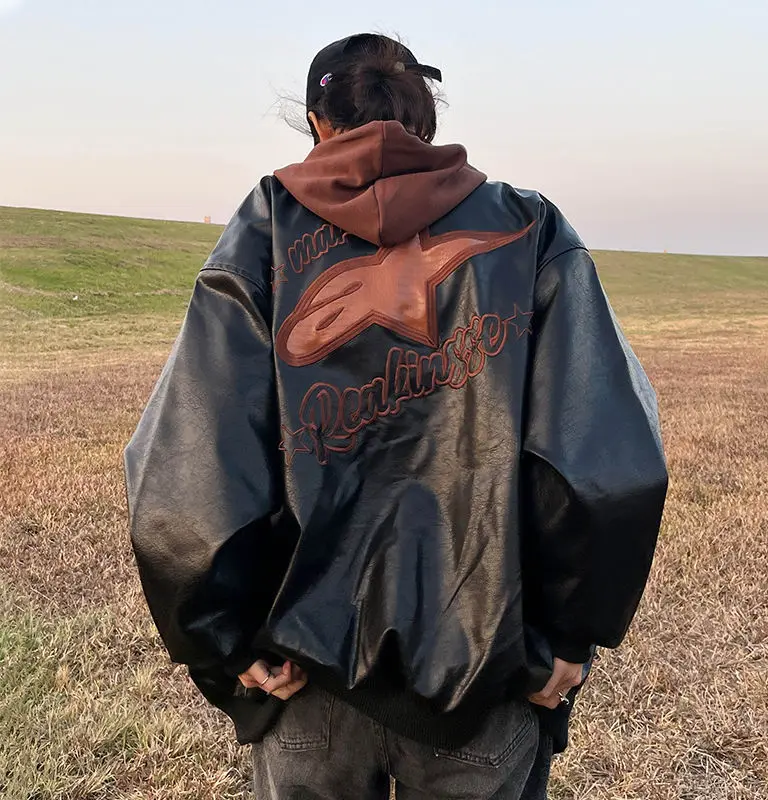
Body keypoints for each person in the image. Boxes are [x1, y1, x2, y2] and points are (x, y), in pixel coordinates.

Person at [124, 33, 668, 800]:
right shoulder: (530, 227)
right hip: (488, 678)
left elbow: (188, 471)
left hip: (303, 680)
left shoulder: (264, 229)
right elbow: (605, 462)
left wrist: (226, 641)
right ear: (427, 121)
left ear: (317, 123)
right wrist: (567, 639)